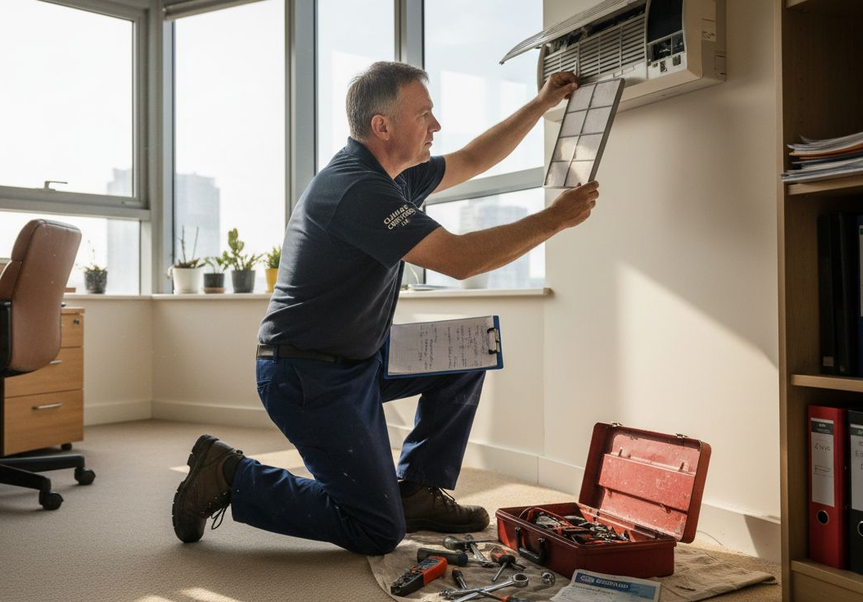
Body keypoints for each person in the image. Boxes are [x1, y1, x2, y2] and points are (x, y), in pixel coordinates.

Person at [172, 61, 599, 555]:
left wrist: (541, 102)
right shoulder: (357, 189)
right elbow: (460, 260)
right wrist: (554, 220)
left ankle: (417, 491)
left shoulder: (396, 176)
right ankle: (228, 472)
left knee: (468, 351)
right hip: (308, 374)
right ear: (383, 126)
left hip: (362, 355)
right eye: (425, 115)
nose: (435, 126)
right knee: (376, 529)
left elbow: (473, 159)